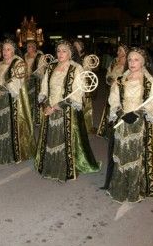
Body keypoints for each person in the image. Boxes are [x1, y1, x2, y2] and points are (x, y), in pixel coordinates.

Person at [107, 48, 153, 203]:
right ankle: (120, 186)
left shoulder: (150, 82)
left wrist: (138, 113)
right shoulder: (120, 80)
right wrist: (119, 111)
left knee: (136, 156)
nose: (132, 63)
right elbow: (114, 99)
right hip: (123, 122)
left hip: (140, 124)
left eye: (136, 60)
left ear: (143, 62)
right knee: (122, 155)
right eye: (130, 60)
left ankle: (135, 188)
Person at [34, 40, 100, 181]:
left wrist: (57, 106)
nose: (60, 53)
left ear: (70, 53)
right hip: (50, 107)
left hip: (66, 109)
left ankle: (64, 167)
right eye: (58, 51)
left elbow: (78, 93)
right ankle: (50, 165)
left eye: (64, 51)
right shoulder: (51, 67)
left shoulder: (76, 68)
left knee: (65, 139)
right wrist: (45, 103)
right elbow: (44, 87)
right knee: (50, 138)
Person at [0, 40, 35, 164]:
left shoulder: (18, 63)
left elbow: (15, 83)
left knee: (9, 125)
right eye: (4, 49)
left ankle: (11, 153)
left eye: (8, 49)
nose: (5, 52)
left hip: (11, 99)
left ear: (13, 51)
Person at [97, 44, 128, 190]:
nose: (118, 52)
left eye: (121, 51)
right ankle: (108, 129)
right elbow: (108, 73)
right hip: (113, 89)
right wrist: (109, 79)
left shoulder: (129, 63)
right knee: (111, 109)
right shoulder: (114, 62)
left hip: (124, 93)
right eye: (118, 50)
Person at [73, 39, 97, 135]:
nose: (75, 47)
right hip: (74, 84)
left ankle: (87, 127)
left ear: (81, 46)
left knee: (86, 105)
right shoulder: (72, 57)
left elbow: (89, 72)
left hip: (84, 84)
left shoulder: (86, 57)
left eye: (77, 45)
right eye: (74, 45)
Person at [24, 40, 45, 127]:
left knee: (36, 99)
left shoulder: (40, 56)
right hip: (27, 81)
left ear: (35, 47)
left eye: (31, 46)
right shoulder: (25, 56)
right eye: (28, 46)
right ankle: (29, 118)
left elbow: (42, 69)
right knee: (28, 99)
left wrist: (34, 75)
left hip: (36, 81)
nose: (29, 48)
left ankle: (37, 119)